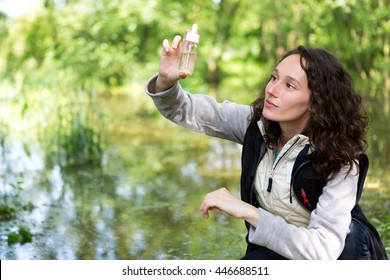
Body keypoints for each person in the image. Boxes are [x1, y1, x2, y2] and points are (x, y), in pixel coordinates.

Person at [144, 34, 377, 260]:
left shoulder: (342, 159)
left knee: (351, 236)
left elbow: (322, 251)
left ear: (316, 103)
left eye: (289, 85)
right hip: (279, 252)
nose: (271, 90)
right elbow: (184, 109)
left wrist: (249, 211)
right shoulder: (255, 127)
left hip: (344, 259)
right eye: (274, 78)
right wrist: (166, 80)